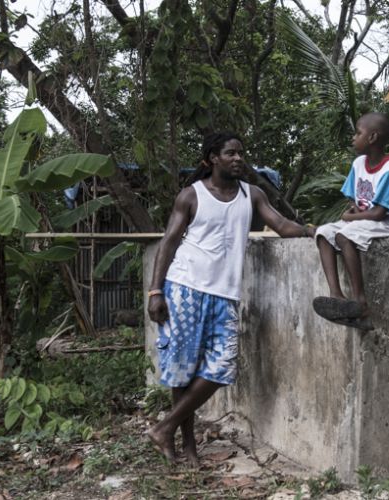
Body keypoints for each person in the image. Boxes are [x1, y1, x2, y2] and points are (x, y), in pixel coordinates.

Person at [146, 132, 314, 466]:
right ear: (212, 159)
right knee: (183, 371)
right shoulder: (190, 196)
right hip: (185, 289)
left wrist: (313, 231)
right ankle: (188, 447)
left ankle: (164, 428)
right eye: (230, 153)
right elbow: (168, 243)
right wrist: (155, 292)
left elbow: (280, 225)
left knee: (221, 367)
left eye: (241, 153)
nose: (238, 158)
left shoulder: (252, 195)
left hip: (225, 295)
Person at [313, 113, 389, 326]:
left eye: (358, 133)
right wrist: (353, 211)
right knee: (324, 233)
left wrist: (348, 216)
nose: (354, 138)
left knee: (344, 236)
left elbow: (379, 213)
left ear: (372, 138)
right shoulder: (358, 163)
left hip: (385, 224)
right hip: (361, 220)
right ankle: (337, 296)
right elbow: (354, 197)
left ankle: (360, 301)